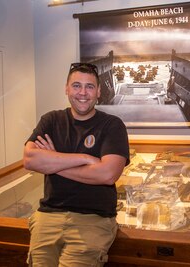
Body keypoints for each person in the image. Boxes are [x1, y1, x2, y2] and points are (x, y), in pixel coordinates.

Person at [23, 62, 130, 267]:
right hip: (48, 216)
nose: (83, 93)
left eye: (89, 86)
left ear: (99, 91)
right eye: (76, 86)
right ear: (66, 89)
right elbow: (30, 160)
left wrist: (53, 160)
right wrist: (84, 158)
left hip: (93, 220)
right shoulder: (51, 120)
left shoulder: (112, 125)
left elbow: (107, 174)